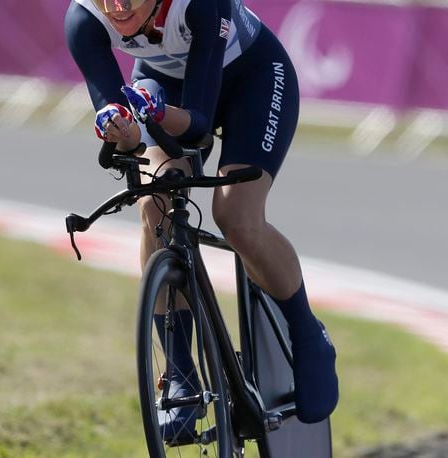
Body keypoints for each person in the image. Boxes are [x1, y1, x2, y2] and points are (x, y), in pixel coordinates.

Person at [64, 0, 339, 439]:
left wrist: (152, 115)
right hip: (165, 88)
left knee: (237, 216)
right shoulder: (84, 19)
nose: (115, 7)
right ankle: (179, 371)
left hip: (253, 79)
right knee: (154, 202)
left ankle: (308, 336)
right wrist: (121, 126)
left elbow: (196, 126)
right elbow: (130, 140)